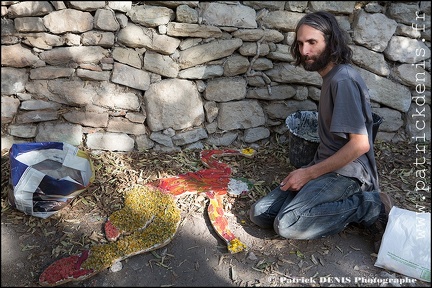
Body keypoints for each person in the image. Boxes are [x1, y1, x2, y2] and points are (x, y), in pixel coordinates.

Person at [249, 11, 393, 246]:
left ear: (331, 41)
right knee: (261, 213)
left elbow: (360, 144)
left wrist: (307, 173)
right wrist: (310, 171)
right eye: (301, 43)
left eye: (312, 42)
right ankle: (314, 206)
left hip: (348, 173)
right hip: (324, 166)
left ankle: (371, 205)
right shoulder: (330, 77)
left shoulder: (342, 80)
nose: (305, 51)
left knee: (287, 224)